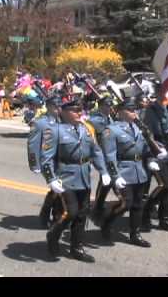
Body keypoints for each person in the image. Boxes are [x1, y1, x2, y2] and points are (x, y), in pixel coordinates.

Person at [41, 97, 110, 263]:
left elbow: (96, 152)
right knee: (70, 212)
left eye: (81, 110)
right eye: (75, 110)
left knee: (81, 215)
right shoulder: (54, 131)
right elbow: (46, 158)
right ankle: (53, 234)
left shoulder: (85, 129)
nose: (80, 113)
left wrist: (104, 171)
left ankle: (77, 247)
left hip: (84, 177)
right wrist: (51, 178)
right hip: (65, 178)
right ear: (63, 112)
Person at [100, 96, 156, 247]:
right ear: (121, 112)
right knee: (126, 203)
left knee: (138, 204)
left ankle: (134, 234)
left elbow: (147, 148)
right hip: (123, 170)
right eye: (131, 110)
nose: (135, 113)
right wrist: (115, 175)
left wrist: (151, 160)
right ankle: (107, 221)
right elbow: (109, 156)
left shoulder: (139, 128)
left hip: (139, 170)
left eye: (135, 109)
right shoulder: (111, 130)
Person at [141, 93, 168, 233]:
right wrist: (154, 154)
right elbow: (147, 135)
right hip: (159, 152)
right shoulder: (150, 111)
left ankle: (165, 219)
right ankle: (145, 211)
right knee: (165, 184)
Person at [28, 95, 63, 229]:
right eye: (55, 106)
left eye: (60, 106)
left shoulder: (63, 121)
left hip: (63, 161)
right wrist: (34, 164)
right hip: (48, 161)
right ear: (48, 107)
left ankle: (48, 212)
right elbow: (33, 145)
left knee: (58, 190)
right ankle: (54, 217)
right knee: (58, 189)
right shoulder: (40, 123)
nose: (58, 109)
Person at [88, 96, 116, 221]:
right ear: (100, 106)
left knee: (108, 181)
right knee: (107, 180)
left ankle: (99, 204)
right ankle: (98, 206)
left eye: (110, 106)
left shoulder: (109, 118)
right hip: (102, 153)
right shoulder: (96, 120)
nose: (109, 108)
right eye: (107, 106)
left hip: (112, 152)